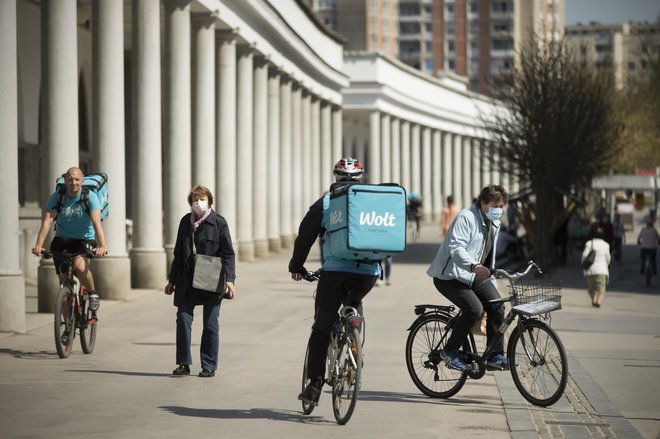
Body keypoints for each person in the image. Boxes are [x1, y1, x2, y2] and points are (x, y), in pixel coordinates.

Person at [289, 158, 380, 405]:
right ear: (360, 178)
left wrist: (296, 266)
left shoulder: (327, 202)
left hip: (335, 272)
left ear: (336, 177)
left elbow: (305, 236)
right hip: (369, 272)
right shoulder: (373, 200)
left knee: (321, 328)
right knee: (354, 301)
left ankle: (315, 384)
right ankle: (354, 341)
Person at [426, 184, 509, 371]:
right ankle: (450, 351)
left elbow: (489, 256)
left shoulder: (494, 223)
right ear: (483, 204)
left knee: (497, 303)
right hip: (450, 276)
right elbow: (456, 249)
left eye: (501, 206)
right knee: (474, 309)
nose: (498, 211)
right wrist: (474, 266)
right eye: (495, 206)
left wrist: (490, 280)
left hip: (474, 275)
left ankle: (494, 354)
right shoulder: (466, 217)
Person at [164, 185, 236, 378]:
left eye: (202, 199)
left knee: (211, 325)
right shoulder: (184, 223)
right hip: (186, 280)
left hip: (212, 281)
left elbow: (228, 253)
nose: (199, 203)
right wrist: (171, 280)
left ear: (210, 201)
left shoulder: (219, 223)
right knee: (183, 320)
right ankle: (183, 363)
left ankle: (209, 365)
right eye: (195, 200)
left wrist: (230, 280)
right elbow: (179, 253)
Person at [32, 167, 107, 311]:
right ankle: (67, 330)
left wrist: (103, 245)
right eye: (70, 179)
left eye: (77, 179)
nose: (74, 182)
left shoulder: (90, 197)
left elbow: (97, 223)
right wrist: (38, 245)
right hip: (61, 240)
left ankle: (92, 293)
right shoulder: (57, 197)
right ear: (65, 181)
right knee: (64, 285)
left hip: (84, 240)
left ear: (82, 181)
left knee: (79, 267)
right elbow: (47, 222)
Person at [581, 228, 611, 308]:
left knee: (591, 288)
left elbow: (584, 255)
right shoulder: (606, 245)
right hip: (602, 270)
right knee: (601, 288)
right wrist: (606, 265)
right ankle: (598, 302)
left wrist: (584, 264)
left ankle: (593, 301)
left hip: (591, 270)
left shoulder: (589, 243)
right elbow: (608, 258)